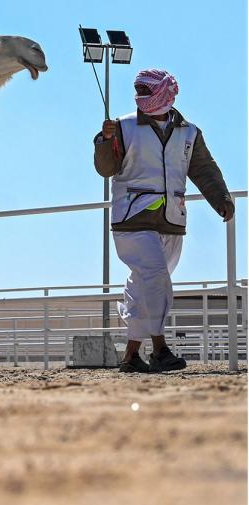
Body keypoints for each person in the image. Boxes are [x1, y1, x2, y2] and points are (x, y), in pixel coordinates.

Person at [94, 68, 234, 373]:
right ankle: (160, 349)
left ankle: (131, 355)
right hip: (132, 219)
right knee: (156, 277)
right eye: (138, 91)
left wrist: (221, 198)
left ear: (166, 93)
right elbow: (106, 169)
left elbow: (203, 169)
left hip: (172, 221)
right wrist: (105, 141)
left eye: (146, 90)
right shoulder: (121, 127)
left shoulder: (189, 132)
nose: (140, 96)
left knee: (145, 286)